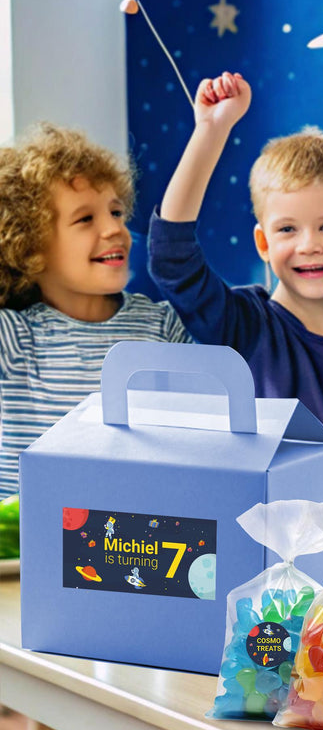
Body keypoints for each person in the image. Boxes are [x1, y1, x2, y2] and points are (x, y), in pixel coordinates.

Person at [148, 73, 323, 501]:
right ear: (263, 243)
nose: (309, 245)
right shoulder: (243, 325)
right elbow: (171, 258)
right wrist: (211, 129)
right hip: (252, 540)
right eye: (288, 229)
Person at [0, 124, 189, 495]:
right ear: (30, 246)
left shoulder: (162, 325)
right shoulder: (15, 337)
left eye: (116, 212)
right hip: (26, 528)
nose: (114, 229)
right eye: (85, 219)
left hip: (132, 523)